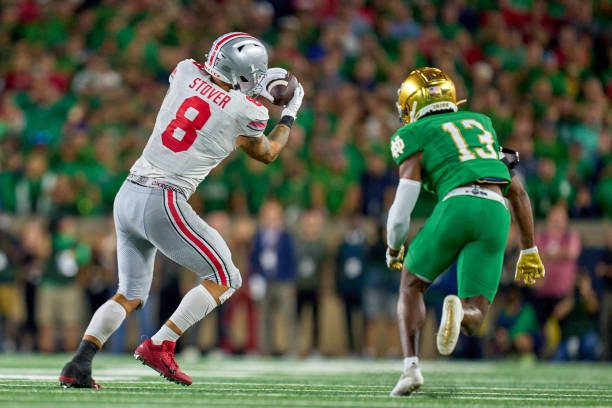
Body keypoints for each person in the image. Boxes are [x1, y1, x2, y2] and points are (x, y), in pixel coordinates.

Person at [59, 32, 304, 388]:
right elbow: (267, 152)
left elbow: (210, 97)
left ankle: (79, 362)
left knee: (129, 294)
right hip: (163, 199)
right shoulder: (247, 111)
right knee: (227, 278)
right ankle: (161, 343)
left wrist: (246, 89)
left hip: (128, 193)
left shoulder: (186, 70)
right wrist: (289, 113)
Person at [384, 67, 545, 396]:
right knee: (476, 315)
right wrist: (529, 250)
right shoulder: (481, 124)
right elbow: (518, 191)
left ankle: (411, 368)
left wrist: (394, 247)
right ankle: (462, 312)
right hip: (496, 211)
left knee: (411, 285)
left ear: (411, 105)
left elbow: (402, 209)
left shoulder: (414, 133)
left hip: (457, 204)